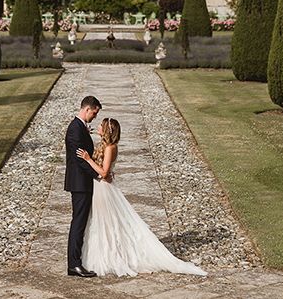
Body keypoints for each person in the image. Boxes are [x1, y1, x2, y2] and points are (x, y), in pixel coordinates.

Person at [76, 118, 207, 277]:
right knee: (102, 223)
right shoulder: (106, 145)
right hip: (99, 187)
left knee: (108, 224)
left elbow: (104, 173)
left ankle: (116, 256)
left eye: (100, 126)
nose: (98, 127)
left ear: (107, 131)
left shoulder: (111, 147)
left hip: (103, 189)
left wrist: (88, 159)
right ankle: (105, 253)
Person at [64, 95, 102, 277]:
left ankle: (77, 261)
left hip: (83, 182)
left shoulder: (80, 127)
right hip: (79, 183)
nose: (94, 117)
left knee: (81, 222)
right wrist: (99, 174)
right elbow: (80, 160)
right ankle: (74, 264)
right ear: (87, 109)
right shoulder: (75, 129)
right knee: (78, 223)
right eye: (94, 113)